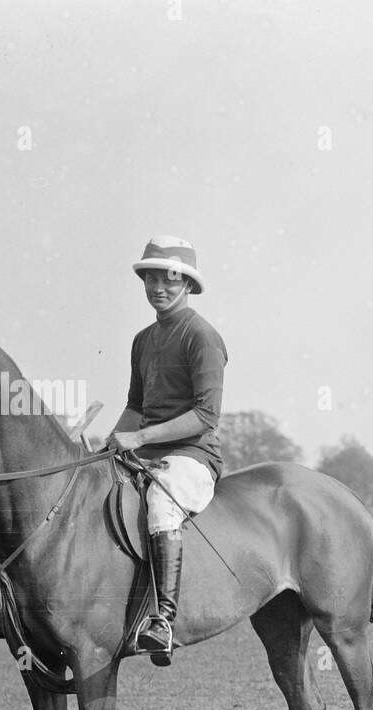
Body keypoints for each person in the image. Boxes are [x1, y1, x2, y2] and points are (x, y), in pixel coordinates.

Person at [106, 236, 226, 664]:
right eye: (151, 278)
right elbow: (135, 406)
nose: (158, 287)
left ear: (188, 285)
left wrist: (139, 438)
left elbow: (205, 415)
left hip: (192, 456)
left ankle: (163, 620)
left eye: (169, 280)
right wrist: (108, 443)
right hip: (148, 453)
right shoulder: (142, 340)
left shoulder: (202, 337)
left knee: (160, 504)